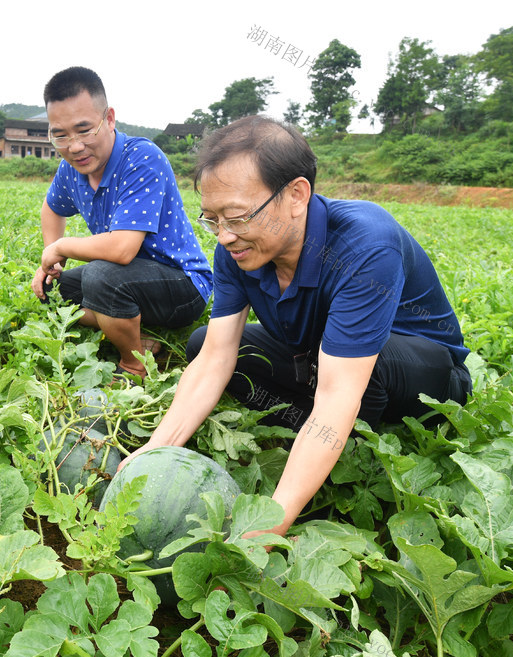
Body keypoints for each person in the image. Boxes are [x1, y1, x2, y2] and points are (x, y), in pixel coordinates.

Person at [120, 116, 472, 539]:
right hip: (324, 359)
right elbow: (215, 357)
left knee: (358, 375)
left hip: (425, 373)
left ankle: (346, 453)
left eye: (237, 217)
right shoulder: (236, 250)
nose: (225, 236)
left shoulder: (365, 243)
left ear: (296, 195)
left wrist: (271, 523)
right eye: (212, 220)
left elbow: (340, 390)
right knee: (201, 345)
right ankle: (313, 432)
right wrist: (155, 449)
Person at [30, 66, 213, 377]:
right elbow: (51, 208)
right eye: (60, 135)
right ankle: (138, 335)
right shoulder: (71, 169)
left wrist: (61, 247)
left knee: (102, 277)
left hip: (182, 285)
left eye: (84, 130)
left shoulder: (141, 158)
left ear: (109, 119)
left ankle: (133, 363)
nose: (74, 146)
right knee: (53, 289)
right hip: (127, 280)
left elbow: (122, 249)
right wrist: (51, 261)